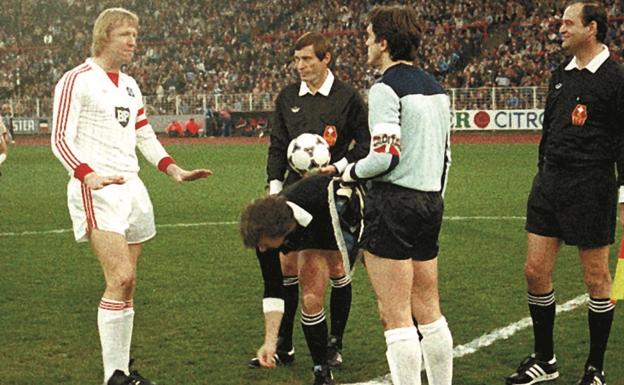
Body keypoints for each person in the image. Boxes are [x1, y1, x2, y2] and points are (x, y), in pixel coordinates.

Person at [50, 8, 212, 385]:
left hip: (133, 190)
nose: (133, 42)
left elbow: (143, 135)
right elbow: (59, 139)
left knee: (130, 282)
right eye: (126, 34)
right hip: (98, 189)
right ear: (105, 35)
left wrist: (173, 168)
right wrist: (87, 175)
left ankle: (121, 370)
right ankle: (113, 375)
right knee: (119, 277)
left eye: (135, 35)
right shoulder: (76, 80)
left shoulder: (130, 85)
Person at [506, 3, 619, 385]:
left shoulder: (615, 79)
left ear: (592, 29)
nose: (560, 29)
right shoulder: (560, 75)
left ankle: (595, 367)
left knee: (596, 279)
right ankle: (545, 359)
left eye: (569, 23)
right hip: (550, 184)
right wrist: (544, 173)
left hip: (592, 186)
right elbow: (549, 132)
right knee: (534, 271)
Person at [339, 5, 453, 385]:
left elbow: (384, 156)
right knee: (429, 309)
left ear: (384, 42)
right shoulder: (437, 89)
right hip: (430, 201)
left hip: (394, 203)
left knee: (395, 314)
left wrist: (348, 170)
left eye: (370, 36)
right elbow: (446, 158)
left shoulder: (385, 87)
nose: (366, 43)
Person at [255, 31, 370, 370]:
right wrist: (275, 189)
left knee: (334, 268)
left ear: (326, 59)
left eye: (307, 59)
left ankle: (334, 343)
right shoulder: (288, 96)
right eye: (296, 59)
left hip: (333, 193)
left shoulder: (347, 97)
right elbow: (277, 145)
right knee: (286, 265)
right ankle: (284, 345)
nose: (300, 66)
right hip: (293, 193)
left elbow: (364, 147)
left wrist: (337, 166)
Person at [240, 174, 365, 385]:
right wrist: (269, 342)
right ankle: (322, 372)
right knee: (311, 298)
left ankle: (411, 335)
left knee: (336, 274)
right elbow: (273, 288)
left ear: (281, 230)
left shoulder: (317, 202)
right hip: (309, 226)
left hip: (339, 215)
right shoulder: (265, 235)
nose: (262, 249)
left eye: (263, 244)